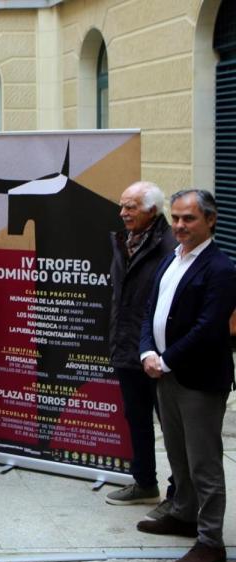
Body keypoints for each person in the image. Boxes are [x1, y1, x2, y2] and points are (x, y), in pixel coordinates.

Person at [136, 189, 236, 562]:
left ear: (210, 220)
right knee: (177, 456)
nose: (179, 225)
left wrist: (166, 359)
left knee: (204, 464)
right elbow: (151, 310)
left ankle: (211, 542)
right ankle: (183, 514)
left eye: (189, 219)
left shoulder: (221, 268)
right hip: (164, 373)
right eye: (175, 218)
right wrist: (147, 351)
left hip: (197, 380)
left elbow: (209, 328)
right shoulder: (171, 259)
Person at [105, 182, 176, 512]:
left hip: (159, 354)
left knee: (173, 426)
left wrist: (163, 352)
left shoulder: (171, 246)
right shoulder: (123, 241)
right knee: (136, 418)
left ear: (152, 210)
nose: (123, 213)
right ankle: (145, 483)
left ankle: (180, 494)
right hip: (126, 346)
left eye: (130, 207)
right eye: (122, 206)